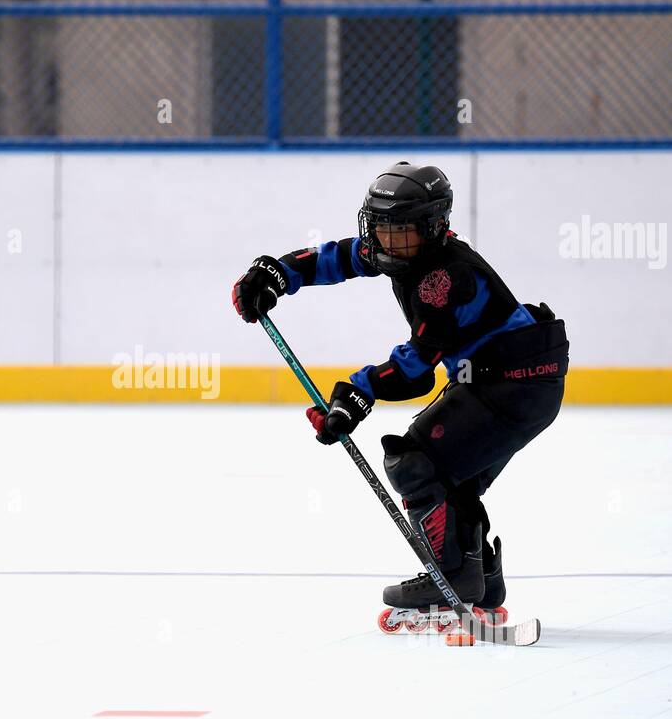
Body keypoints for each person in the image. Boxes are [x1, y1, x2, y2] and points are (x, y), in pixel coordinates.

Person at [231, 162, 569, 626]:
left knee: (415, 461)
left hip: (513, 383)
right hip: (513, 380)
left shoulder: (444, 278)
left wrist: (356, 394)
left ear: (434, 228)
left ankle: (450, 575)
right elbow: (339, 258)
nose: (389, 242)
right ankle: (480, 582)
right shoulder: (403, 252)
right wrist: (277, 274)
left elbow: (418, 366)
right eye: (382, 228)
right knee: (451, 477)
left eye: (403, 231)